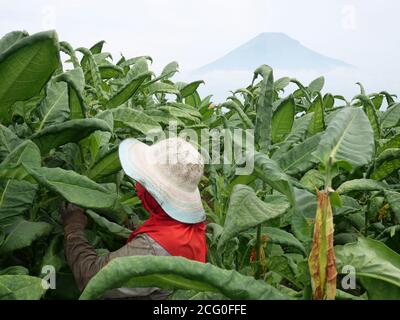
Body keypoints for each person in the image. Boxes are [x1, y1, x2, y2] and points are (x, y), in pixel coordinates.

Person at [61, 137, 207, 299]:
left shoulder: (153, 249)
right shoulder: (188, 227)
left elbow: (92, 279)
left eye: (146, 182)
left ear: (157, 195)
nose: (139, 185)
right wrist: (127, 223)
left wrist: (73, 228)